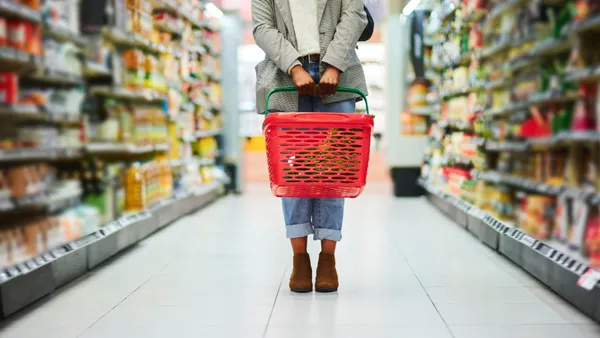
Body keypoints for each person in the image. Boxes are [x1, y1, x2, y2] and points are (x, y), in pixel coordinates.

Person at [252, 0, 368, 293]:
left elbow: (354, 15)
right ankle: (299, 258)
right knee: (292, 172)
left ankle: (328, 258)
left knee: (334, 170)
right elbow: (262, 27)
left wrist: (334, 64)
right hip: (283, 75)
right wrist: (293, 66)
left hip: (338, 76)